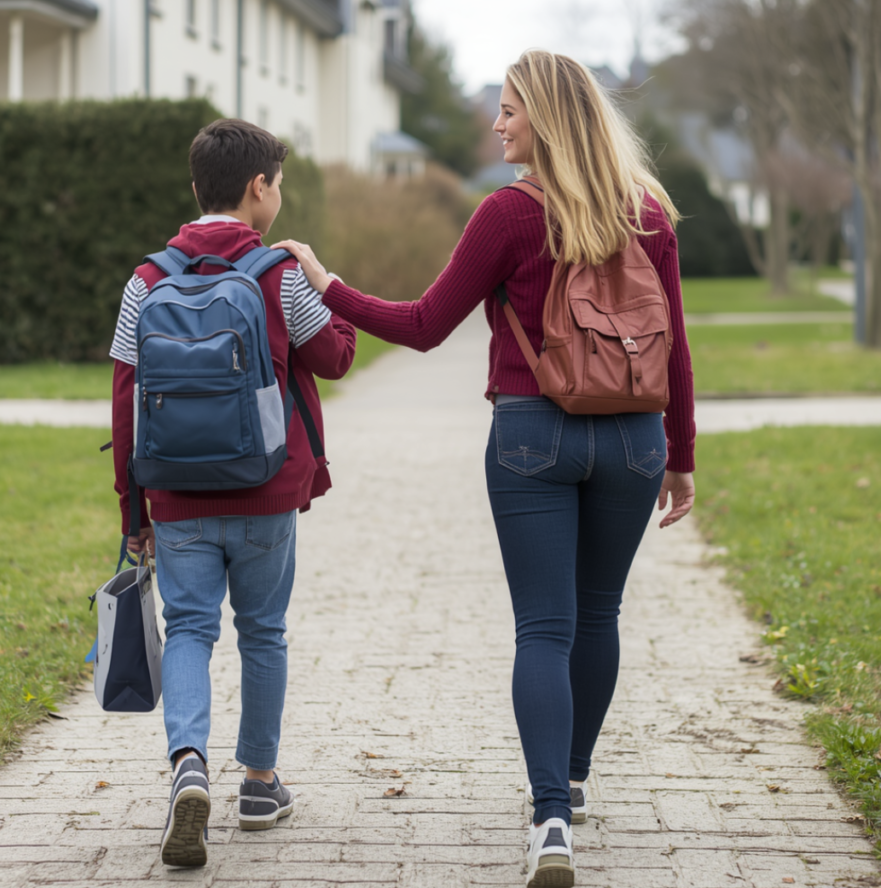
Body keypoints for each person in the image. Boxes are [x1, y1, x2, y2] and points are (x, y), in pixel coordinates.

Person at [274, 51, 696, 888]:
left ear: (545, 116)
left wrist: (330, 287)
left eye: (508, 109)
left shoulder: (507, 215)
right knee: (598, 610)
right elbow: (675, 345)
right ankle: (571, 782)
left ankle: (548, 823)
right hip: (634, 441)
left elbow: (427, 325)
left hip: (533, 430)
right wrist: (679, 456)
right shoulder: (649, 212)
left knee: (544, 626)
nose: (496, 123)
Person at [109, 118, 356, 868]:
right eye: (278, 184)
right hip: (265, 493)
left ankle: (189, 764)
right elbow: (338, 357)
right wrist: (321, 281)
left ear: (195, 189)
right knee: (264, 631)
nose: (279, 196)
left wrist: (134, 511)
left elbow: (125, 401)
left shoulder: (146, 280)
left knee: (188, 630)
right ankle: (258, 783)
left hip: (177, 498)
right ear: (258, 188)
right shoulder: (278, 274)